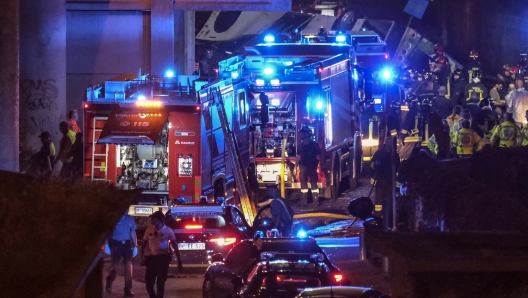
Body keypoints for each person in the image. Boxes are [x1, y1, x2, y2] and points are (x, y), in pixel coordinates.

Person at [139, 211, 183, 298]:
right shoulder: (149, 230)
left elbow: (175, 246)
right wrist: (141, 258)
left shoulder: (168, 231)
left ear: (159, 220)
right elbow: (143, 245)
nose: (151, 220)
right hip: (151, 259)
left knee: (160, 283)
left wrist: (179, 261)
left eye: (153, 218)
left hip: (163, 259)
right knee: (149, 283)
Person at [105, 211, 138, 297]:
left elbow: (132, 232)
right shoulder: (114, 218)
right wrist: (105, 244)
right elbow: (107, 232)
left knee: (128, 268)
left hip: (127, 245)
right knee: (115, 266)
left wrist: (135, 245)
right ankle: (109, 281)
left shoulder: (130, 219)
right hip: (116, 245)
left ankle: (127, 290)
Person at [370, 137, 400, 213]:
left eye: (392, 143)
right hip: (380, 180)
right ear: (385, 143)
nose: (391, 144)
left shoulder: (395, 154)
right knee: (378, 202)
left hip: (390, 181)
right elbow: (372, 166)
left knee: (389, 200)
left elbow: (398, 167)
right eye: (389, 142)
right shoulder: (379, 153)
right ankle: (378, 216)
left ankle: (388, 216)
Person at [296, 126, 322, 207]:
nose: (301, 135)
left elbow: (318, 156)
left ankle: (315, 201)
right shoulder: (300, 145)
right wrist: (296, 166)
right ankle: (304, 200)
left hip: (312, 166)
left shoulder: (314, 145)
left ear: (306, 134)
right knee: (303, 184)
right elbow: (298, 156)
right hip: (303, 166)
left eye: (302, 133)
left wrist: (319, 165)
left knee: (313, 183)